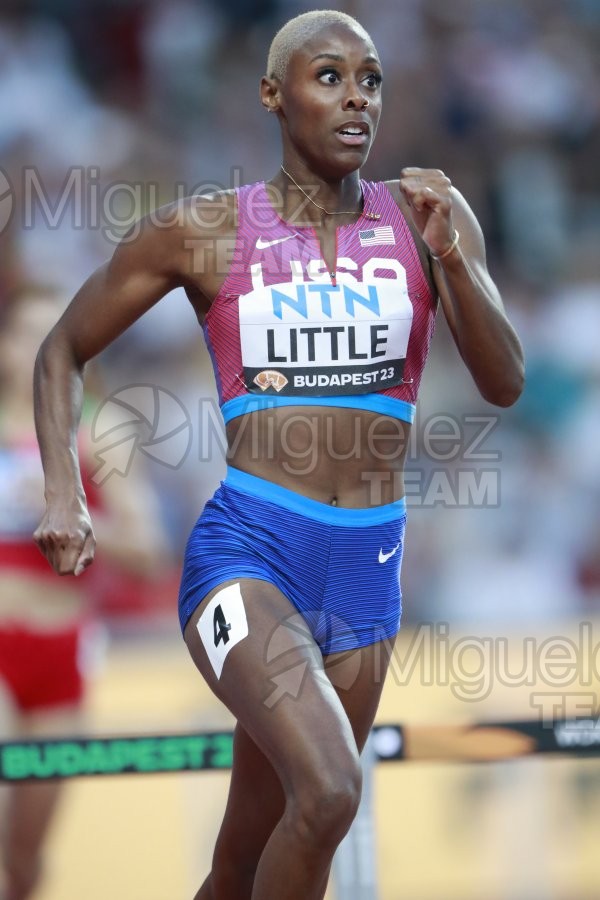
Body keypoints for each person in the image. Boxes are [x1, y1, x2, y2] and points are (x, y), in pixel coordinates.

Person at [33, 10, 524, 900]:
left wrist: (455, 259)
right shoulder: (208, 231)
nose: (355, 100)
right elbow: (61, 349)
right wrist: (65, 492)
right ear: (273, 95)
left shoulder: (426, 220)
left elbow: (504, 382)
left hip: (370, 571)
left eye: (370, 80)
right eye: (328, 77)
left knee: (246, 859)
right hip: (250, 555)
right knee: (333, 791)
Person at [0, 285, 168, 900]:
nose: (42, 349)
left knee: (24, 857)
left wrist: (69, 510)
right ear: (5, 346)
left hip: (63, 652)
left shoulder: (104, 433)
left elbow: (149, 552)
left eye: (58, 334)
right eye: (28, 334)